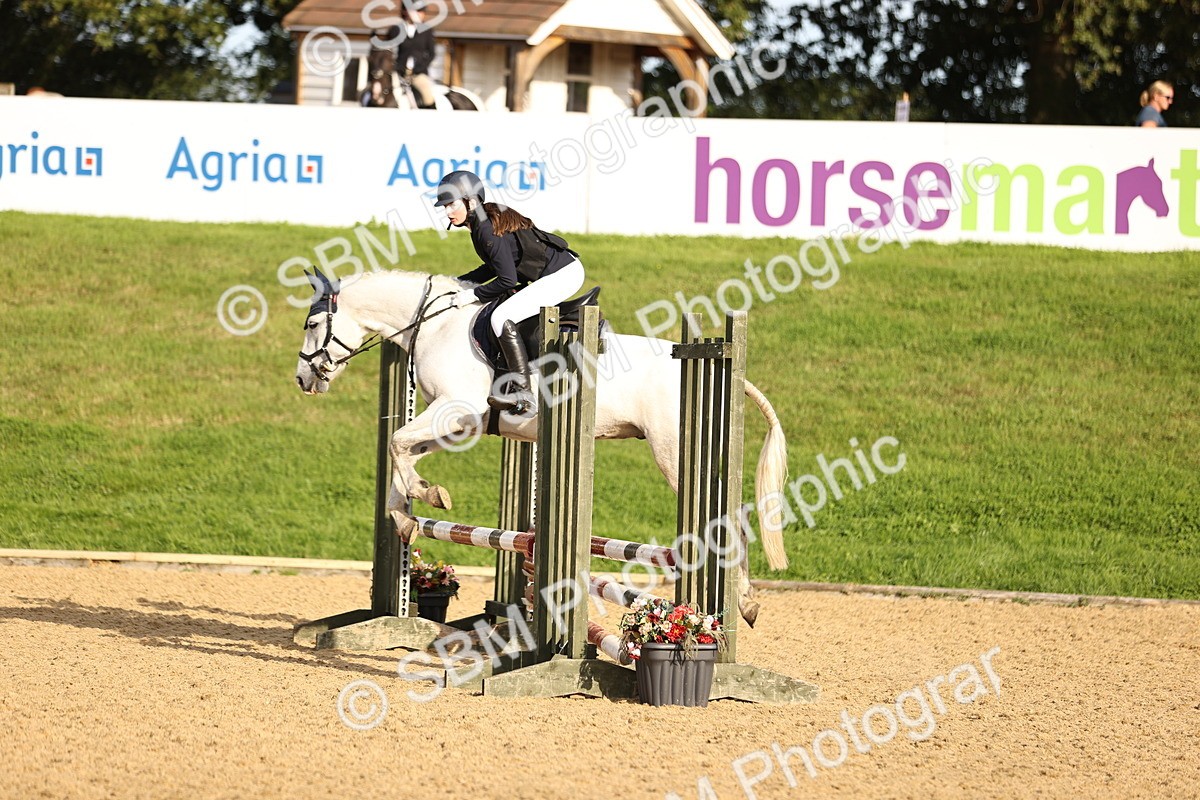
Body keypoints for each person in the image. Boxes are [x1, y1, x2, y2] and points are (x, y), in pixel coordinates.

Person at [435, 171, 585, 414]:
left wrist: (471, 295)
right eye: (445, 206)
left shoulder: (484, 228)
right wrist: (458, 282)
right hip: (557, 272)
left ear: (470, 201)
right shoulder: (481, 221)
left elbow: (507, 279)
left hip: (562, 275)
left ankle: (524, 394)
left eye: (451, 204)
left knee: (500, 317)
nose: (448, 212)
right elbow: (493, 267)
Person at [396, 5, 436, 109]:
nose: (419, 14)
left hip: (418, 74)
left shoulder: (427, 31)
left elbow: (431, 54)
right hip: (398, 73)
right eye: (416, 11)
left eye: (421, 11)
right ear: (406, 12)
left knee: (427, 95)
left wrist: (419, 68)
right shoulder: (396, 29)